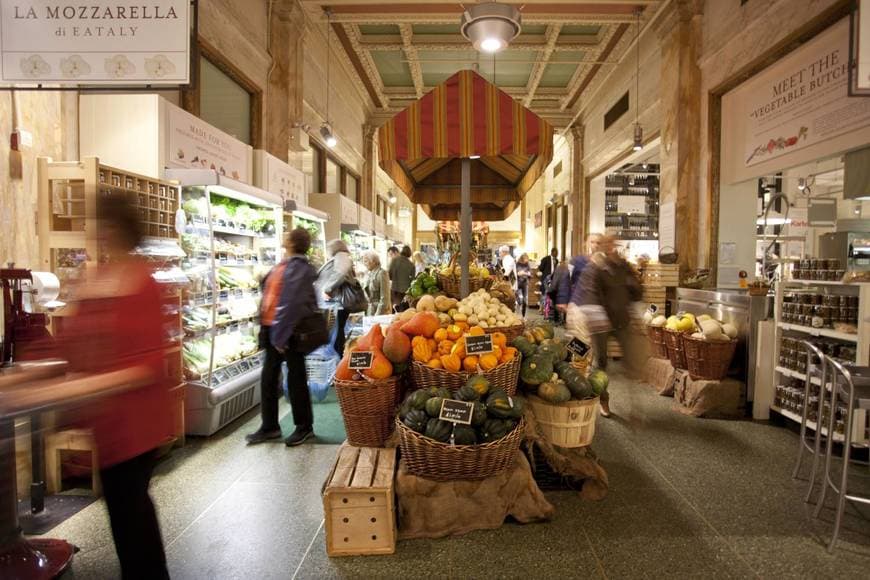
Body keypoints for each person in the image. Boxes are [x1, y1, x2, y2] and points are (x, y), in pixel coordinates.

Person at [60, 194, 171, 579]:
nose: (97, 231)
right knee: (127, 511)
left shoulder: (141, 283)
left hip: (134, 423)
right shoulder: (97, 278)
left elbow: (148, 364)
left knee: (130, 512)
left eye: (103, 224)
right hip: (107, 421)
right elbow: (72, 341)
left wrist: (86, 386)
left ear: (117, 228)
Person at [578, 235, 647, 418]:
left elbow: (637, 292)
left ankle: (635, 407)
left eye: (611, 243)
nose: (608, 247)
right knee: (600, 363)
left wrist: (633, 285)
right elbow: (590, 292)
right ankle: (603, 399)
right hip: (601, 322)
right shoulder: (596, 266)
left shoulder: (623, 266)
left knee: (631, 363)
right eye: (604, 243)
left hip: (621, 319)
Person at [265, 227, 320, 446]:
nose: (283, 235)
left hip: (289, 332)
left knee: (295, 378)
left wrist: (280, 336)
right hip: (277, 329)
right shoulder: (288, 264)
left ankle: (304, 426)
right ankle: (269, 426)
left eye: (286, 234)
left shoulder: (297, 267)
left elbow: (290, 303)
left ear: (292, 242)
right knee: (270, 378)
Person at [316, 239, 355, 356]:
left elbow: (340, 274)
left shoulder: (341, 257)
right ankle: (337, 357)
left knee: (337, 334)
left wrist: (327, 289)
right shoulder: (341, 257)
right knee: (338, 333)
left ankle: (337, 359)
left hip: (338, 303)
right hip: (337, 303)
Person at [363, 250, 392, 316]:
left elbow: (385, 298)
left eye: (366, 261)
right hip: (370, 311)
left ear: (373, 261)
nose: (364, 264)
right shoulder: (368, 273)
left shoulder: (382, 273)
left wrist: (377, 315)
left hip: (380, 312)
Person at [549, 260, 572, 325]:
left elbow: (552, 278)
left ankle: (556, 320)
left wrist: (551, 289)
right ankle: (564, 320)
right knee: (566, 306)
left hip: (556, 289)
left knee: (555, 305)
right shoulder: (568, 270)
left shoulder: (557, 269)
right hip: (565, 290)